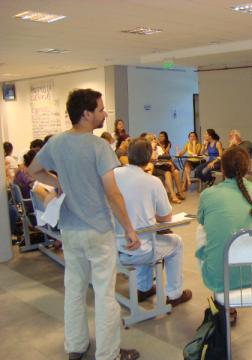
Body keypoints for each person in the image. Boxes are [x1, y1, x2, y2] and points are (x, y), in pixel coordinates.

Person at [27, 88, 140, 360]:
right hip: (98, 230)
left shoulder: (56, 142)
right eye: (101, 109)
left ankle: (75, 346)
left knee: (74, 290)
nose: (105, 114)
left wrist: (59, 182)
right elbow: (112, 193)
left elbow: (32, 170)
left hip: (70, 229)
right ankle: (108, 353)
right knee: (104, 294)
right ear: (87, 114)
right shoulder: (99, 146)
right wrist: (128, 228)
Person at [196, 146, 252, 322]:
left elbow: (203, 223)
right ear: (247, 169)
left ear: (222, 169)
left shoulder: (208, 194)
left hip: (221, 275)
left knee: (202, 230)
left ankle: (225, 305)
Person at [114, 138, 192, 305]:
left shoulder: (113, 174)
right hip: (140, 249)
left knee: (147, 234)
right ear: (150, 157)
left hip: (114, 247)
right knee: (175, 243)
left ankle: (144, 287)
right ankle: (175, 294)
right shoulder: (153, 182)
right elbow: (166, 217)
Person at [152, 132, 184, 203]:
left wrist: (170, 163)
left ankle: (179, 192)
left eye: (162, 136)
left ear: (165, 137)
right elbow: (154, 159)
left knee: (176, 172)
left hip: (165, 163)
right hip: (158, 165)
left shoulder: (163, 145)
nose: (159, 138)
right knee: (168, 172)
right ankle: (173, 195)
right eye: (158, 137)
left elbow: (165, 155)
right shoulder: (151, 148)